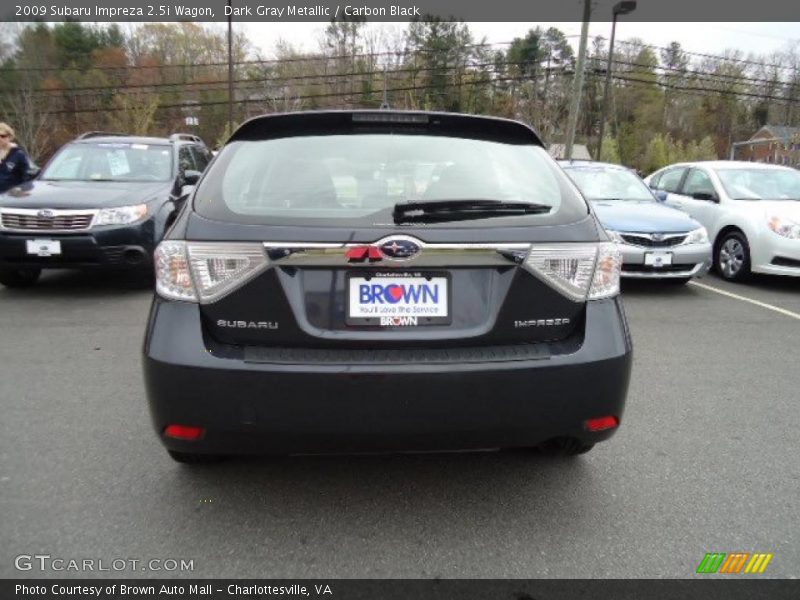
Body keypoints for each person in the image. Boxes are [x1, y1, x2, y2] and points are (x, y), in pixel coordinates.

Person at [0, 122, 32, 193]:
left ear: (9, 137)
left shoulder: (19, 154)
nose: (0, 138)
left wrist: (21, 189)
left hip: (10, 196)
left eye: (2, 136)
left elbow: (28, 176)